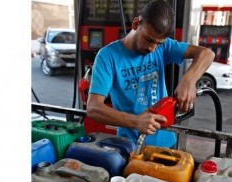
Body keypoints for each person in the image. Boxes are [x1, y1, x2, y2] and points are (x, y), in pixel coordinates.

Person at [87, 0, 215, 148]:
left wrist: (189, 80)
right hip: (131, 146)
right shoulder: (108, 56)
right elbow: (93, 108)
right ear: (136, 24)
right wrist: (136, 121)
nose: (153, 49)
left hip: (167, 142)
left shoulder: (164, 46)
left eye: (158, 43)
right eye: (149, 39)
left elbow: (207, 54)